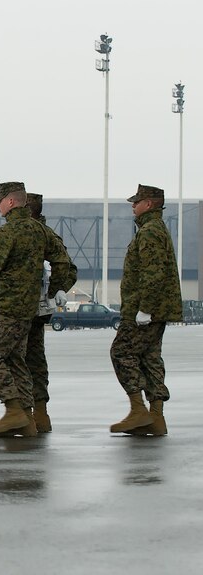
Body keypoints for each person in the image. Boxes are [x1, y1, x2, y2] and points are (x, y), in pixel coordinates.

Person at [0, 181, 68, 437]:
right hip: (29, 309)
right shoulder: (40, 231)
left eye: (0, 200)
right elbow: (62, 258)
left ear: (11, 201)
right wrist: (56, 290)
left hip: (7, 307)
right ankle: (27, 421)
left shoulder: (7, 233)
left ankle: (14, 409)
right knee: (16, 361)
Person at [109, 184, 182, 436]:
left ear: (148, 204)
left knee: (121, 352)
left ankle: (138, 409)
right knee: (150, 358)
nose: (133, 205)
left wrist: (145, 309)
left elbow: (153, 274)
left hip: (144, 310)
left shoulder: (149, 232)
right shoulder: (155, 229)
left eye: (136, 201)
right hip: (154, 309)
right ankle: (156, 417)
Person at [25, 193, 77, 432]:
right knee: (34, 359)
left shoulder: (40, 235)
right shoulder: (47, 235)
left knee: (18, 359)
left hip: (27, 309)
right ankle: (37, 413)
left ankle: (30, 413)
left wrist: (58, 289)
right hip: (30, 308)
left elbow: (68, 268)